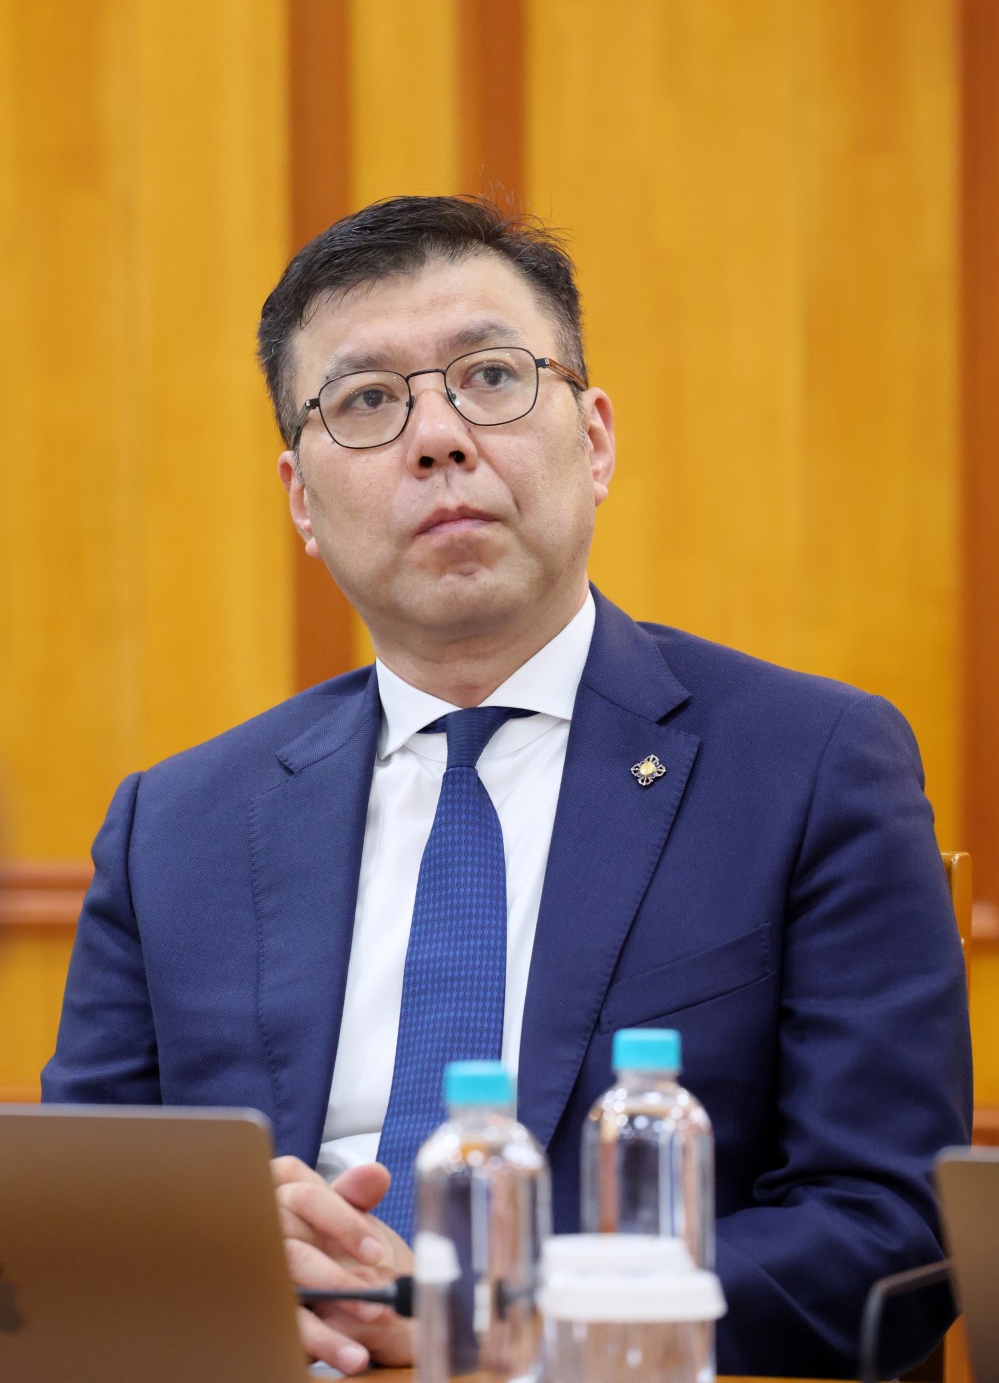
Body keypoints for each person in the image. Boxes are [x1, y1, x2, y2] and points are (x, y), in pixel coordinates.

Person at [43, 195, 972, 1378]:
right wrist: (210, 1264)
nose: (438, 438)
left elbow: (886, 1229)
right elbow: (77, 1232)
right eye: (366, 401)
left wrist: (504, 1319)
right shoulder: (174, 828)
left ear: (595, 440)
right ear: (301, 502)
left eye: (490, 377)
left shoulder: (810, 764)